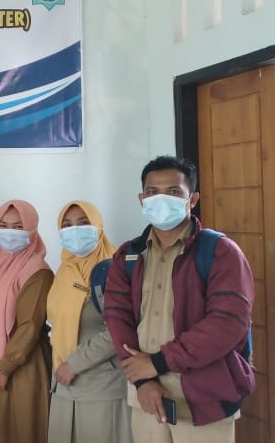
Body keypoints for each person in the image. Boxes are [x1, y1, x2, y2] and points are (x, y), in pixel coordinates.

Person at [104, 155, 254, 442]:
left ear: (192, 199)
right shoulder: (128, 255)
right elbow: (117, 318)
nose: (161, 199)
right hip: (146, 396)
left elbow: (227, 323)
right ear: (142, 199)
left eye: (173, 192)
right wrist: (144, 380)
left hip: (205, 398)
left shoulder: (220, 251)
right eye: (152, 192)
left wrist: (159, 362)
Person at [46, 200, 130, 443]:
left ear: (98, 226)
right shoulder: (65, 271)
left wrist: (74, 364)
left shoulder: (113, 269)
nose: (75, 230)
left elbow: (119, 330)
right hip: (64, 385)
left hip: (101, 388)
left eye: (83, 223)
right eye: (67, 225)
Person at [0, 199, 54, 443]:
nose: (10, 233)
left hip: (22, 367)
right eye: (3, 225)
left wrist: (5, 367)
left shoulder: (37, 270)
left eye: (18, 227)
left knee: (23, 430)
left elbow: (30, 325)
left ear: (32, 229)